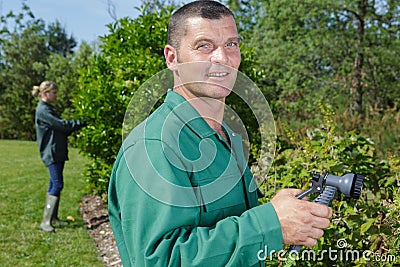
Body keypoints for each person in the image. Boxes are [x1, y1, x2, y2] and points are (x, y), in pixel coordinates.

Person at [108, 1, 332, 266]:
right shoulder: (154, 145)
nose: (222, 58)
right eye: (204, 46)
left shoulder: (224, 135)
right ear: (172, 58)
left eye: (231, 44)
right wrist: (270, 225)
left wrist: (276, 212)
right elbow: (162, 259)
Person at [32, 81, 85, 232]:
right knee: (57, 184)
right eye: (54, 92)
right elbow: (62, 126)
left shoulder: (48, 108)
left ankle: (52, 218)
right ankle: (45, 222)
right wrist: (80, 123)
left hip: (57, 152)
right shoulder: (43, 110)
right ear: (45, 93)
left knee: (53, 184)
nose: (56, 95)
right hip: (51, 152)